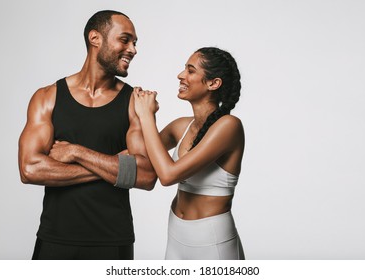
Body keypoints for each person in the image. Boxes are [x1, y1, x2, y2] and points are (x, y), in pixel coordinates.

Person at [18, 10, 157, 260]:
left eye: (135, 43)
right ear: (95, 38)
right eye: (125, 39)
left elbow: (146, 175)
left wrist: (75, 152)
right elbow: (30, 169)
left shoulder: (135, 103)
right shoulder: (47, 97)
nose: (133, 50)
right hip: (54, 238)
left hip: (113, 241)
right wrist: (116, 165)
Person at [134, 47, 245, 259]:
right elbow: (139, 151)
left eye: (190, 70)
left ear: (213, 83)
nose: (181, 75)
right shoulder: (181, 126)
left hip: (212, 239)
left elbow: (168, 175)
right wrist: (135, 112)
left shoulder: (228, 126)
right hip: (176, 233)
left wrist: (146, 116)